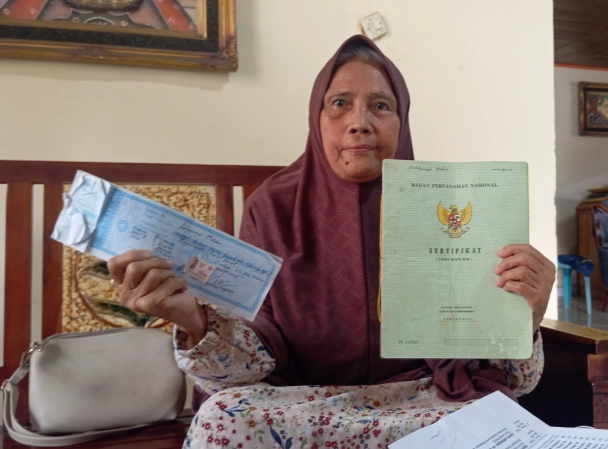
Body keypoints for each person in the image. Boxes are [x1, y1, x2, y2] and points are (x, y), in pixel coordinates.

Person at [107, 35, 553, 448]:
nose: (360, 123)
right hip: (301, 404)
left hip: (422, 401)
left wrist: (527, 315)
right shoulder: (273, 206)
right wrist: (194, 321)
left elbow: (514, 378)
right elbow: (251, 359)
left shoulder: (450, 205)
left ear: (402, 122)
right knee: (223, 419)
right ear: (315, 119)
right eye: (340, 104)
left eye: (381, 105)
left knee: (495, 421)